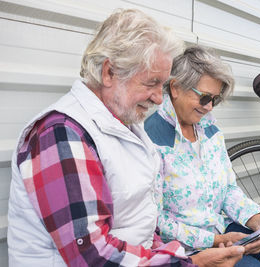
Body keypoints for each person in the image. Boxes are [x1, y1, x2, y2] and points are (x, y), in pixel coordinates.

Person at [7, 9, 245, 267]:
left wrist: (183, 253)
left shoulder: (125, 123)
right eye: (151, 83)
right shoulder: (61, 135)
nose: (158, 97)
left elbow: (141, 225)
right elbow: (92, 256)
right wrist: (192, 263)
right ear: (110, 72)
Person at [144, 46, 260, 267]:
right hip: (190, 250)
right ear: (176, 87)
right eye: (204, 97)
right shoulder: (152, 139)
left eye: (215, 100)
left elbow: (227, 188)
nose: (209, 107)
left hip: (222, 230)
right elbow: (157, 223)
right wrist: (217, 240)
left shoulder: (208, 127)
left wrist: (255, 220)